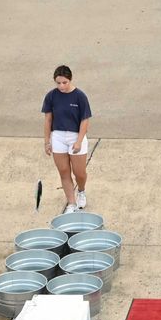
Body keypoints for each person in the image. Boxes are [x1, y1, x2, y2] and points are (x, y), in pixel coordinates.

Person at [42, 64, 94, 214]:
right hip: (58, 136)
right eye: (58, 83)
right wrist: (47, 141)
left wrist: (78, 141)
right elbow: (48, 119)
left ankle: (82, 191)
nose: (61, 86)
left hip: (75, 136)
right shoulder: (51, 96)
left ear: (70, 80)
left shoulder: (80, 96)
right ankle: (71, 203)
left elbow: (85, 120)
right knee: (64, 171)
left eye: (64, 82)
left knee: (79, 173)